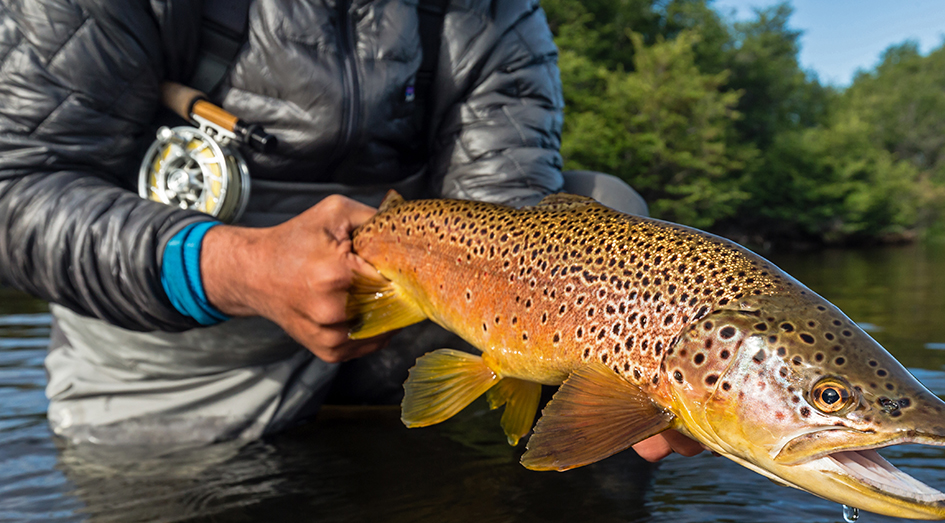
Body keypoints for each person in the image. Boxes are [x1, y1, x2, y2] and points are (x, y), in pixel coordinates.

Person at [0, 0, 698, 462]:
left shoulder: (493, 10)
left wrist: (630, 362)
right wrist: (236, 266)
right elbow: (17, 189)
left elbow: (508, 215)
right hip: (176, 322)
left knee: (607, 205)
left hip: (399, 307)